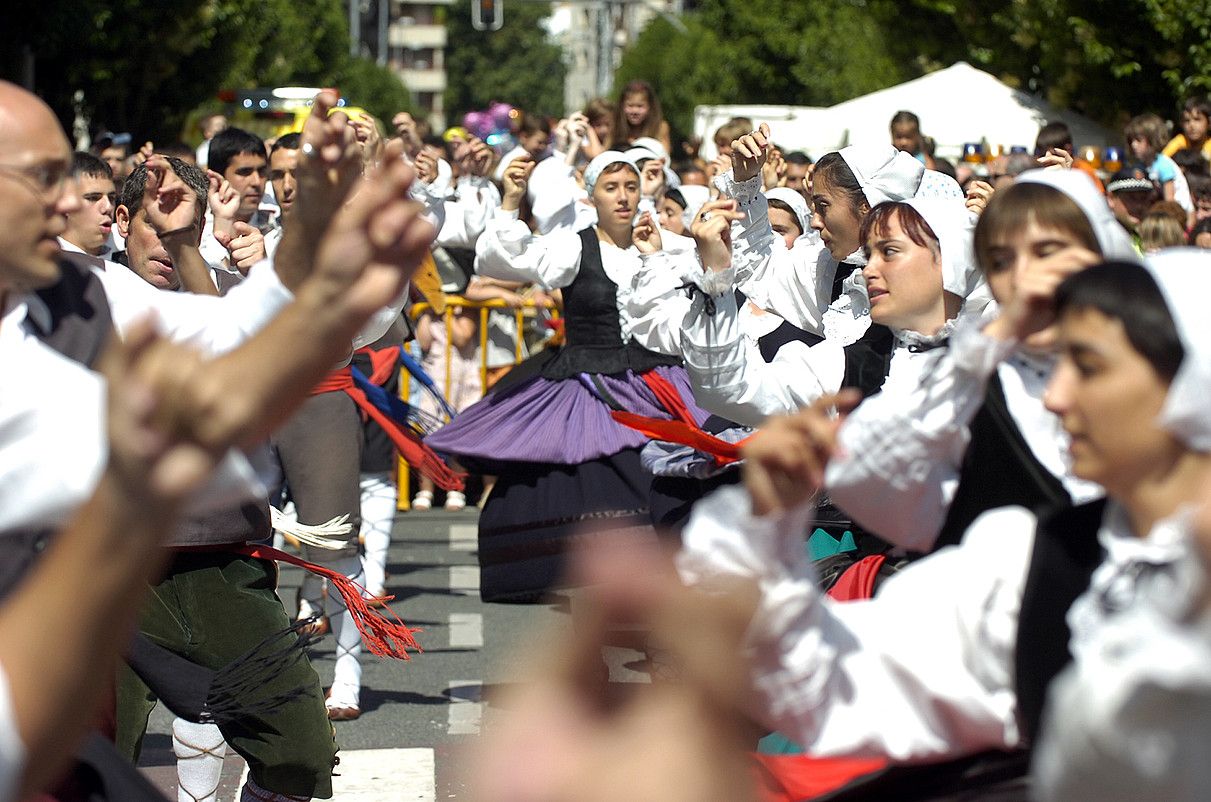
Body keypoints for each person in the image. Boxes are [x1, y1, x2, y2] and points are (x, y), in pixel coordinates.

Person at [0, 80, 434, 801]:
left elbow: (236, 340)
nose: (74, 202)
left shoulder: (85, 291)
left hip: (169, 578)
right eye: (42, 177)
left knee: (289, 750)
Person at [677, 251, 1211, 799]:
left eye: (1089, 367)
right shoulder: (1032, 561)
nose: (1054, 395)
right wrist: (765, 528)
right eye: (1058, 364)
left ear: (1191, 378)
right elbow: (823, 684)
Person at [426, 151, 711, 601]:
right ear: (590, 195)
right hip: (588, 383)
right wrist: (510, 200)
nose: (622, 197)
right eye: (611, 188)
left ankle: (660, 603)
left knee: (662, 481)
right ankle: (595, 608)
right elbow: (503, 261)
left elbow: (714, 273)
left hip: (654, 381)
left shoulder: (667, 245)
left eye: (630, 187)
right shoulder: (573, 245)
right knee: (582, 489)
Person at [827, 169, 1134, 554]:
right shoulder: (987, 376)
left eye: (1047, 252)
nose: (1023, 276)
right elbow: (858, 480)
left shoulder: (1158, 362)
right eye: (1002, 261)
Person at [1126, 113, 1193, 214]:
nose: (1133, 145)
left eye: (1138, 140)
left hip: (1180, 212)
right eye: (1131, 140)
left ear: (1153, 140)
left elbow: (1169, 201)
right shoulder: (1145, 165)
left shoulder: (1163, 165)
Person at [61, 151, 117, 258]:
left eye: (112, 198)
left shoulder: (127, 246)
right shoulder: (44, 266)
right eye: (93, 198)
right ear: (64, 203)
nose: (108, 207)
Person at [612, 80, 671, 155]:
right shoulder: (615, 126)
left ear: (650, 107)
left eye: (640, 106)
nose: (635, 111)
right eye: (630, 106)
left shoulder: (660, 128)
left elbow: (665, 157)